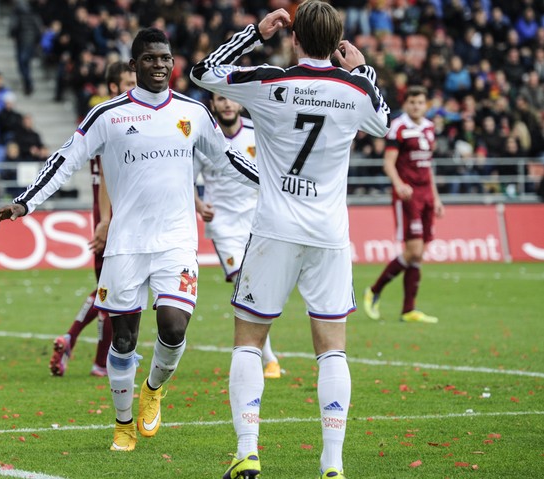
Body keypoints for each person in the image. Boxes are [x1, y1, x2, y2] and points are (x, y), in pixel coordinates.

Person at [0, 28, 259, 452]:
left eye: (165, 58)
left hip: (176, 241)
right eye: (150, 58)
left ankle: (153, 388)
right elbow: (65, 159)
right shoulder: (107, 115)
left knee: (173, 328)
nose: (160, 65)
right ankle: (122, 424)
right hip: (127, 243)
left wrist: (275, 186)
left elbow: (228, 160)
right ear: (133, 66)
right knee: (123, 340)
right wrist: (25, 203)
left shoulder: (193, 112)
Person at [190, 2, 390, 478]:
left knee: (248, 342)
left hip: (275, 229)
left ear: (294, 37)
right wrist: (361, 68)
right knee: (332, 349)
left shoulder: (270, 82)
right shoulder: (356, 88)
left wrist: (255, 33)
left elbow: (202, 73)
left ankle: (247, 450)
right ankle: (332, 463)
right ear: (337, 40)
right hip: (329, 235)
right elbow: (384, 123)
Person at [48, 61, 135, 378]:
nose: (132, 88)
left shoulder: (122, 116)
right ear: (113, 87)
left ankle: (97, 359)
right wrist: (106, 220)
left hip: (113, 214)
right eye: (127, 82)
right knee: (111, 290)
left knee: (110, 289)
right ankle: (85, 349)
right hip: (113, 216)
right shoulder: (111, 119)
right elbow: (107, 177)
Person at [193, 94, 281, 379]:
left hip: (257, 221)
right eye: (221, 100)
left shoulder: (258, 133)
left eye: (231, 100)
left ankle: (254, 353)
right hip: (223, 226)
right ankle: (267, 358)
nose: (228, 104)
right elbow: (186, 178)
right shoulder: (206, 139)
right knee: (243, 284)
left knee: (255, 288)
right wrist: (198, 204)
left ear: (240, 104)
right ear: (214, 105)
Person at [364, 86, 444, 324]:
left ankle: (409, 309)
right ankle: (374, 290)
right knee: (414, 251)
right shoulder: (398, 127)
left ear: (425, 104)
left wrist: (437, 198)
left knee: (418, 254)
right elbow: (388, 163)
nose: (417, 106)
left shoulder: (429, 128)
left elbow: (428, 166)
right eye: (412, 102)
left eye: (420, 102)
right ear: (406, 104)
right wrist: (398, 184)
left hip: (427, 194)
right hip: (408, 196)